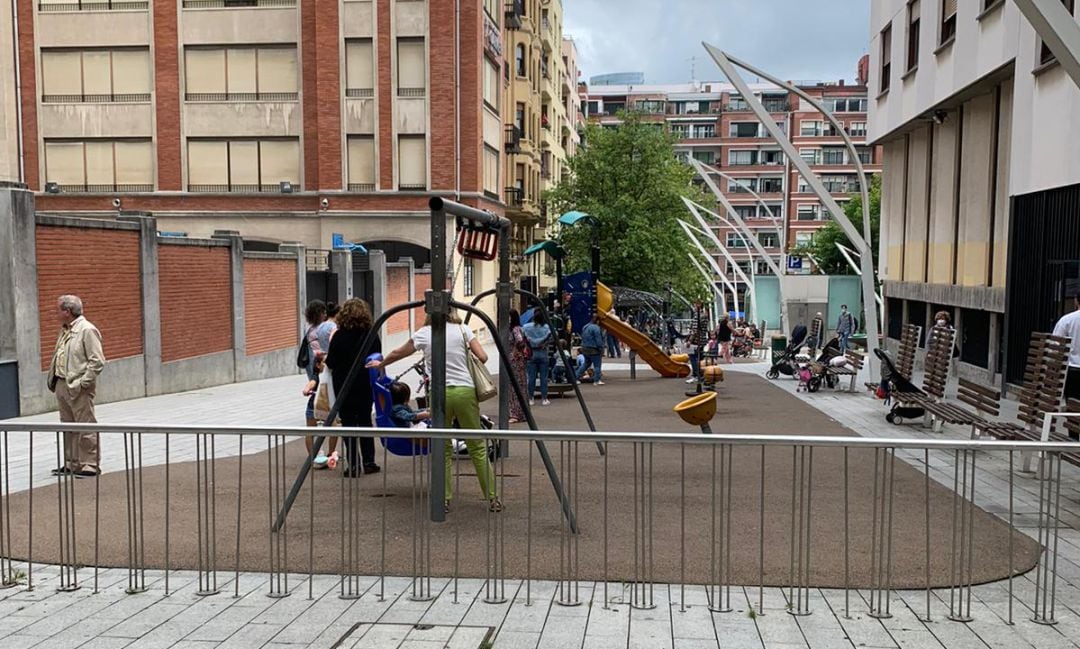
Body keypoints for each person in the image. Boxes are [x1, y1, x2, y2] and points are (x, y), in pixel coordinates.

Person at [369, 311, 500, 512]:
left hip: (440, 394)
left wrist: (382, 364)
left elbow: (399, 352)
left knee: (443, 447)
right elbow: (483, 356)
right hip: (465, 391)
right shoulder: (463, 330)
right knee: (477, 447)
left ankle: (444, 498)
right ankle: (492, 498)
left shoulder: (424, 333)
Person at [48, 295, 106, 478]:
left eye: (58, 310)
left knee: (85, 424)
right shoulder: (66, 330)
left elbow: (97, 361)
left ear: (68, 311)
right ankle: (71, 463)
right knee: (68, 425)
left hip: (78, 385)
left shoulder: (87, 330)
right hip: (62, 383)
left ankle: (89, 464)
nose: (55, 313)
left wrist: (83, 383)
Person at [325, 298, 381, 477]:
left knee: (348, 423)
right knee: (365, 419)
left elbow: (332, 361)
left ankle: (354, 464)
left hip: (344, 384)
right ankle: (369, 461)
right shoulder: (371, 334)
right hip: (365, 383)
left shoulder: (339, 336)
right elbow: (377, 356)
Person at [1053, 293, 1080, 404]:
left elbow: (1055, 344)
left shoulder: (1067, 320)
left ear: (1076, 300)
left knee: (1072, 404)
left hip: (1071, 367)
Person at [523, 310, 553, 403]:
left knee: (531, 377)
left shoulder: (527, 327)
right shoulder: (546, 327)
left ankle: (531, 398)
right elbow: (551, 337)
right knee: (544, 377)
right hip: (542, 352)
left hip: (531, 352)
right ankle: (544, 398)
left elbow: (523, 337)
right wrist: (545, 343)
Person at [507, 309, 528, 424]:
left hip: (514, 362)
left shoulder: (515, 329)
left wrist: (514, 352)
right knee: (518, 387)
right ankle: (521, 413)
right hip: (516, 361)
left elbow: (520, 341)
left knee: (514, 388)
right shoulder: (516, 328)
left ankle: (515, 414)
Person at [685, 302, 709, 384]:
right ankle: (701, 374)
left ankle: (695, 375)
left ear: (698, 306)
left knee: (693, 357)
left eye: (694, 305)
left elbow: (695, 330)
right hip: (702, 339)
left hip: (695, 341)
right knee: (700, 358)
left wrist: (689, 341)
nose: (694, 307)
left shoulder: (697, 316)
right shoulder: (705, 316)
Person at [579, 314, 605, 385]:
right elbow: (598, 341)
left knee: (586, 364)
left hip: (585, 348)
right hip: (594, 349)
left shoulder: (585, 326)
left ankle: (576, 377)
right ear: (597, 321)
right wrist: (601, 349)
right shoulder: (596, 328)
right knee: (597, 365)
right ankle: (596, 380)